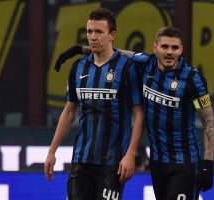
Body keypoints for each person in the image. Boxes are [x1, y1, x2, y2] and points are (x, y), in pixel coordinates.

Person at [54, 26, 214, 200]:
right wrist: (80, 50)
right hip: (157, 162)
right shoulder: (146, 64)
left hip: (184, 163)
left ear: (181, 50)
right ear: (155, 48)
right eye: (165, 47)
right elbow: (116, 52)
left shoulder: (193, 79)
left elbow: (208, 120)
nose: (170, 52)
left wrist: (207, 163)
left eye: (175, 48)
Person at [44, 8, 144, 200]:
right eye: (89, 31)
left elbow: (139, 113)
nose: (93, 37)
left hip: (112, 163)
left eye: (99, 32)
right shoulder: (78, 68)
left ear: (111, 35)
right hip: (81, 160)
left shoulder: (127, 69)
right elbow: (69, 112)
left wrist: (130, 154)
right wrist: (52, 151)